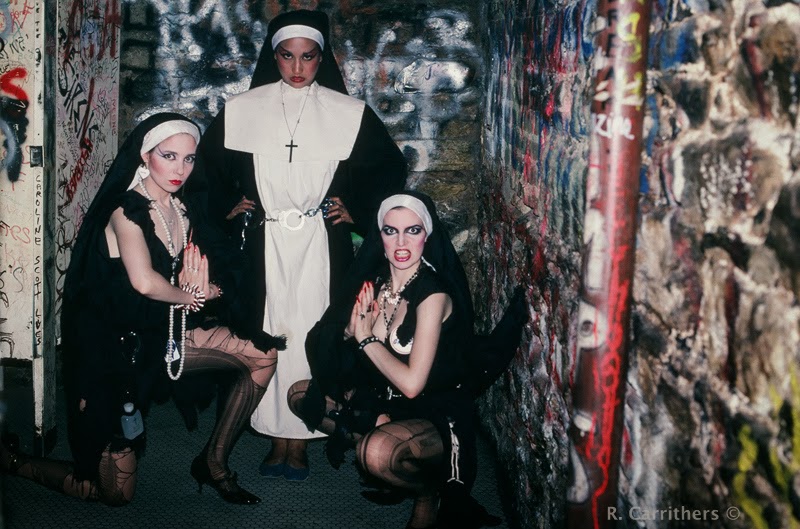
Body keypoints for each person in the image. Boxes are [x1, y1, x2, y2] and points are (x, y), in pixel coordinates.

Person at [0, 112, 285, 506]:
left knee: (262, 355)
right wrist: (190, 296)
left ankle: (213, 462)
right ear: (145, 155)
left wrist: (211, 288)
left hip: (162, 337)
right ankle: (12, 461)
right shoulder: (126, 210)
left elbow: (212, 268)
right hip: (116, 355)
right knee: (112, 493)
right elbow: (145, 282)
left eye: (189, 158)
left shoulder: (182, 208)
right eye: (169, 156)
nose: (180, 169)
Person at [197, 9, 407, 481]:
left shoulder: (347, 112)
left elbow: (389, 168)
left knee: (313, 332)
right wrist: (230, 203)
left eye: (308, 57)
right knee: (272, 332)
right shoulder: (243, 108)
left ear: (321, 58)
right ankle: (277, 438)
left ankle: (303, 434)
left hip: (319, 242)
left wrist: (357, 208)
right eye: (287, 56)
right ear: (273, 57)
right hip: (265, 242)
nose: (297, 67)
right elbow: (207, 172)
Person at [288, 192, 525, 529]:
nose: (401, 242)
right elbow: (355, 364)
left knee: (375, 454)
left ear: (427, 235)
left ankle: (430, 490)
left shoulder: (433, 295)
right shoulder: (378, 286)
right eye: (391, 231)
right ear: (379, 236)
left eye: (412, 230)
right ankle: (395, 454)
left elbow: (413, 385)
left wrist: (366, 339)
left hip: (434, 411)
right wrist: (349, 335)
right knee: (300, 396)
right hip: (389, 403)